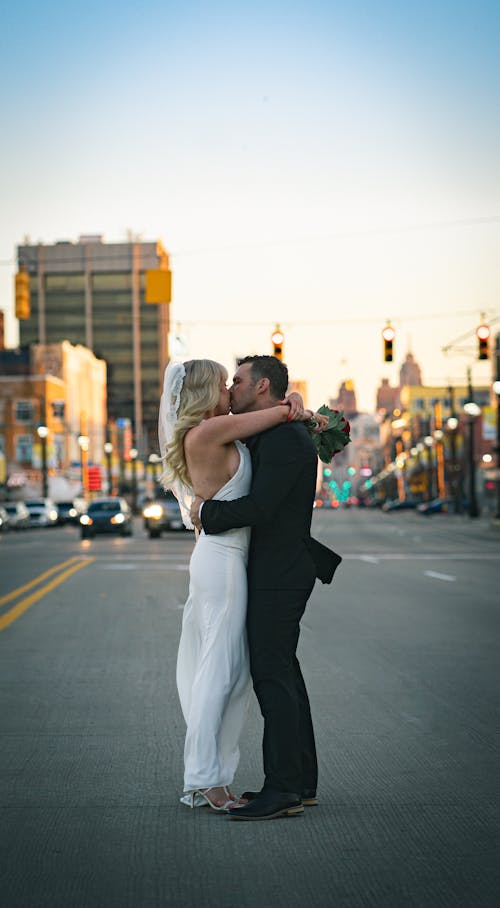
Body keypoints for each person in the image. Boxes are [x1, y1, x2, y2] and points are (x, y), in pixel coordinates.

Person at [159, 358, 323, 812]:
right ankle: (208, 779)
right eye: (223, 383)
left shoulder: (238, 429)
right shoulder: (210, 433)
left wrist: (297, 405)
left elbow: (279, 420)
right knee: (223, 670)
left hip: (246, 563)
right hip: (224, 562)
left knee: (243, 672)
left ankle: (283, 783)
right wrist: (295, 407)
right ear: (204, 393)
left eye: (236, 382)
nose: (230, 389)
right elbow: (279, 416)